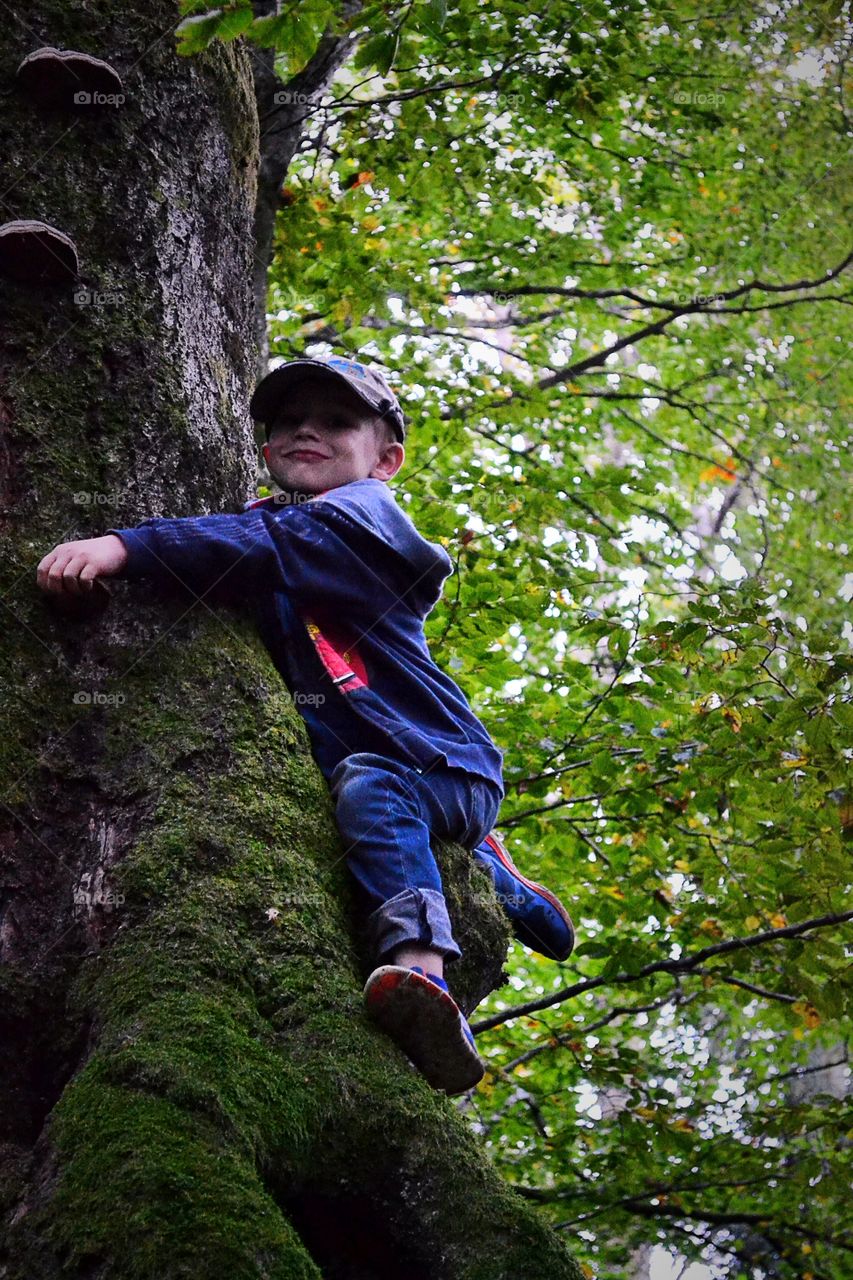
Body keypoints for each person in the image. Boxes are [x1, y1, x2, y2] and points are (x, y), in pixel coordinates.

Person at [36, 354, 574, 1095]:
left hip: (434, 758)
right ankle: (499, 875)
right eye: (288, 422)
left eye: (336, 421)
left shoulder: (362, 524)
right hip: (368, 746)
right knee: (366, 790)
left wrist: (123, 547)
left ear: (385, 459)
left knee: (376, 791)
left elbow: (251, 549)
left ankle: (426, 977)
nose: (306, 431)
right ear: (263, 451)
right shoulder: (277, 525)